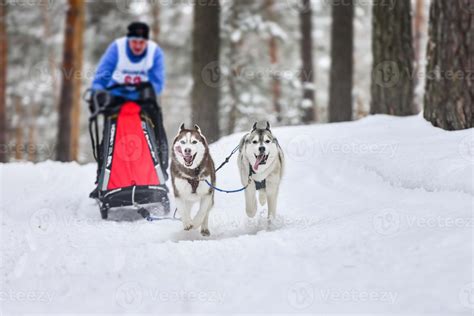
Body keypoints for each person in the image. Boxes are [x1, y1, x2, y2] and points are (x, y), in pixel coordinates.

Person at [89, 22, 168, 198]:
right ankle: (102, 179)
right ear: (129, 40)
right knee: (108, 136)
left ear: (146, 42)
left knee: (158, 131)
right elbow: (102, 75)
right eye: (134, 42)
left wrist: (148, 90)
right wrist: (97, 93)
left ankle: (161, 173)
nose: (138, 46)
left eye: (142, 43)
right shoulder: (116, 49)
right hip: (117, 98)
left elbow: (158, 82)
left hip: (144, 99)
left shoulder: (155, 52)